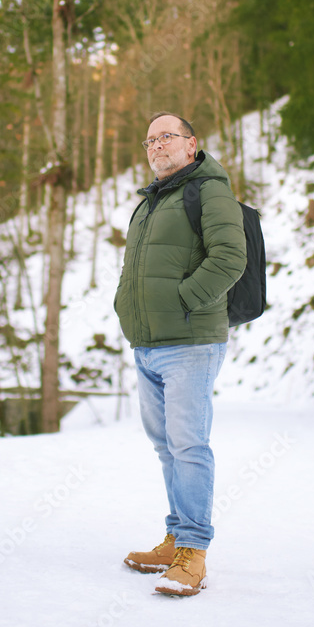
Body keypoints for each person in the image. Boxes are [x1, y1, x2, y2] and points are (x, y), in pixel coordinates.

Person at [114, 111, 246, 596]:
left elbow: (230, 257)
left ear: (192, 145)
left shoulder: (208, 190)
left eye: (167, 136)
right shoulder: (151, 200)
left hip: (190, 342)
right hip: (147, 344)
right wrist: (125, 306)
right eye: (149, 139)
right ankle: (174, 539)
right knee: (166, 445)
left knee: (189, 444)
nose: (156, 145)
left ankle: (193, 551)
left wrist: (185, 301)